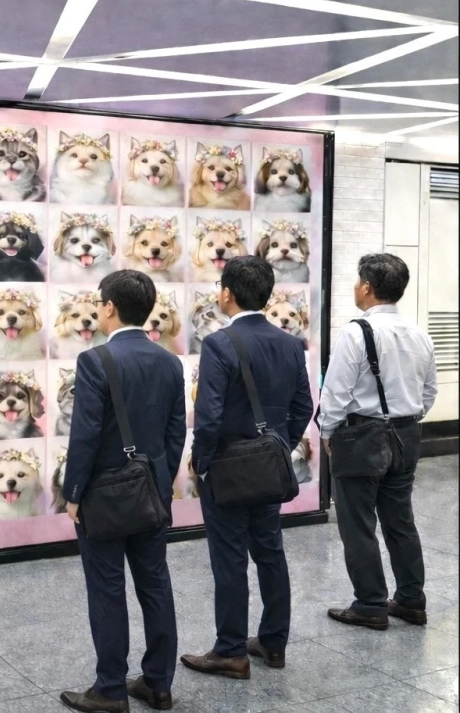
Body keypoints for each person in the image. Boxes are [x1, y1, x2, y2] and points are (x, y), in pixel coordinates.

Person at [59, 270, 186, 713]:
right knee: (155, 583)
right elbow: (175, 435)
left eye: (99, 302)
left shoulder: (96, 360)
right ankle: (158, 683)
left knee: (108, 588)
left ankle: (110, 689)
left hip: (104, 495)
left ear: (109, 307)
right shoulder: (170, 361)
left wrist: (72, 492)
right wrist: (162, 486)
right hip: (151, 492)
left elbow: (86, 435)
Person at [181, 256, 312, 680]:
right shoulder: (291, 344)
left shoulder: (220, 343)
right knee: (270, 552)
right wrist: (278, 446)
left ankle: (231, 650)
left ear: (226, 294)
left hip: (227, 466)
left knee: (230, 559)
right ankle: (274, 643)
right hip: (269, 467)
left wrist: (202, 463)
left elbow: (209, 414)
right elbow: (303, 406)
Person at [319, 254, 437, 629]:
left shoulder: (356, 332)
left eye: (357, 282)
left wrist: (327, 432)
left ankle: (370, 604)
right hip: (407, 435)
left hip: (361, 437)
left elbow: (335, 392)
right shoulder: (420, 333)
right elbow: (429, 392)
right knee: (400, 521)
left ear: (367, 288)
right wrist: (405, 418)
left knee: (358, 524)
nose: (356, 287)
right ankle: (411, 600)